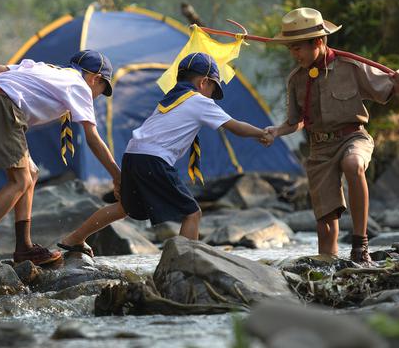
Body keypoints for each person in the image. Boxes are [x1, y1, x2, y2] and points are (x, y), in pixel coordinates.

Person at [58, 52, 273, 257]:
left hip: (133, 154)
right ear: (204, 82)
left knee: (124, 208)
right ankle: (185, 262)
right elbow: (234, 126)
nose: (212, 97)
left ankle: (74, 238)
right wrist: (261, 133)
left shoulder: (170, 99)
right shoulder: (199, 101)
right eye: (212, 89)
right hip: (153, 160)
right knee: (192, 213)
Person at [264, 8, 399, 265]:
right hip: (320, 150)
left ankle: (360, 244)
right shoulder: (296, 79)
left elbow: (393, 90)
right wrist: (276, 131)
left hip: (353, 138)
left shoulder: (351, 66)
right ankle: (331, 273)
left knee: (353, 164)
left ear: (318, 42)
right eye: (291, 48)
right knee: (326, 232)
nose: (294, 54)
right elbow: (295, 122)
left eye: (298, 48)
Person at [0, 50, 121, 266]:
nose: (98, 94)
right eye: (102, 89)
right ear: (95, 79)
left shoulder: (48, 69)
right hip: (3, 106)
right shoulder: (80, 85)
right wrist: (117, 176)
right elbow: (92, 138)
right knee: (20, 181)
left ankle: (24, 247)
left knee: (31, 174)